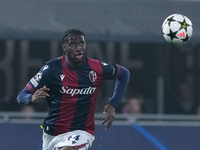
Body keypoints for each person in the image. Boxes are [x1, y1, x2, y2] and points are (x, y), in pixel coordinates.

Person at [17, 29, 130, 150]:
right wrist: (31, 98)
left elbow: (124, 74)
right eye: (73, 44)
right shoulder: (51, 69)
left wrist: (113, 104)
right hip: (51, 133)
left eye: (81, 43)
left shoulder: (96, 68)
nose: (78, 48)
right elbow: (22, 95)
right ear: (64, 47)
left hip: (81, 131)